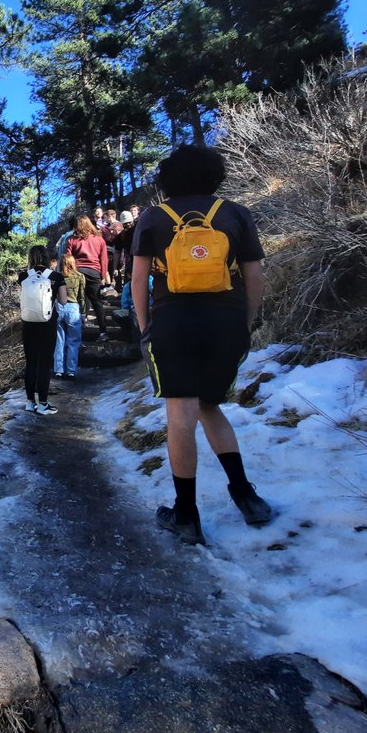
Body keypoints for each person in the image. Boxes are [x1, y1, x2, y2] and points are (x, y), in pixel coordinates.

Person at [131, 145, 271, 546]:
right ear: (215, 175)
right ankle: (246, 496)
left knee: (180, 414)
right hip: (225, 321)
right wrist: (244, 322)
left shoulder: (154, 218)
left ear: (168, 179)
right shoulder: (236, 213)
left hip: (172, 322)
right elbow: (255, 276)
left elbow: (139, 281)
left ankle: (187, 516)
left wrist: (146, 327)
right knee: (210, 405)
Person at [19, 245, 67, 415]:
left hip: (28, 323)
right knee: (44, 364)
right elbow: (63, 301)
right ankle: (44, 404)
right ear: (47, 257)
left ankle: (30, 402)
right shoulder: (56, 276)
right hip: (48, 323)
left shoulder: (24, 276)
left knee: (31, 362)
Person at [65, 215, 111, 342]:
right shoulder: (99, 239)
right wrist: (102, 275)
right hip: (94, 272)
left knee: (76, 301)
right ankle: (103, 332)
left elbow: (68, 259)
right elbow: (104, 259)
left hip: (77, 271)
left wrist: (68, 274)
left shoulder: (71, 240)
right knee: (96, 301)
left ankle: (76, 331)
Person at [52, 253, 84, 380]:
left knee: (59, 340)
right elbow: (82, 296)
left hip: (59, 308)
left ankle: (58, 370)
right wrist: (84, 313)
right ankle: (71, 371)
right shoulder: (79, 276)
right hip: (73, 308)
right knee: (73, 341)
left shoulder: (57, 276)